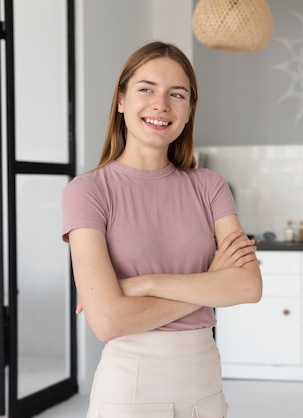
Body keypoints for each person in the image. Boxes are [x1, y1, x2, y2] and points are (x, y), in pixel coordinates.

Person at [61, 41, 262, 418]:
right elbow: (107, 322)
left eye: (176, 94)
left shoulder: (209, 186)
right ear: (120, 100)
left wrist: (143, 284)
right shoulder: (87, 191)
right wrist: (209, 282)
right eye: (146, 89)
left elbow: (248, 287)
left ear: (188, 110)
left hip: (205, 385)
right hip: (130, 389)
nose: (161, 105)